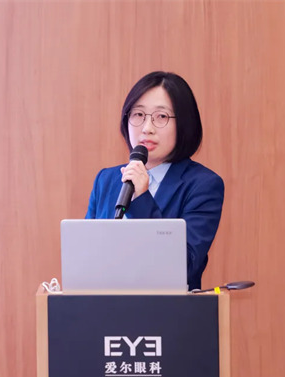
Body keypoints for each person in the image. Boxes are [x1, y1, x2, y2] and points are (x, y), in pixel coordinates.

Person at [85, 71, 224, 290]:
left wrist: (142, 199)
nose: (147, 128)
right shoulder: (107, 180)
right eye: (138, 114)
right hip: (103, 307)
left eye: (161, 117)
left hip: (167, 310)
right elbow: (86, 257)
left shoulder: (203, 185)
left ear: (184, 123)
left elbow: (185, 267)